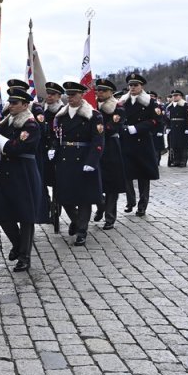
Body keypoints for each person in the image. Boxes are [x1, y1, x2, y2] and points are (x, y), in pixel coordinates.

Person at [0, 87, 45, 271]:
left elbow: (17, 147)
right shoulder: (7, 122)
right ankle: (17, 243)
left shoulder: (30, 124)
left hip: (24, 172)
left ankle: (25, 257)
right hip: (6, 170)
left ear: (25, 104)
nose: (11, 105)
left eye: (15, 103)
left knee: (25, 216)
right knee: (0, 212)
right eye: (10, 102)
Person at [49, 81, 104, 246]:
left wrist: (92, 161)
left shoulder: (93, 115)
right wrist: (53, 148)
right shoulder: (61, 115)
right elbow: (56, 136)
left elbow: (98, 140)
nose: (70, 97)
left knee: (84, 197)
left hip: (84, 157)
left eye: (74, 94)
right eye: (68, 94)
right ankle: (77, 220)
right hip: (65, 158)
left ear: (82, 95)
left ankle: (82, 230)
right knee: (64, 196)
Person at [120, 73, 161, 216]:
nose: (132, 87)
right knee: (126, 174)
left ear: (141, 86)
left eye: (135, 85)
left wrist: (138, 128)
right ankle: (130, 201)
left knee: (144, 175)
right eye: (130, 85)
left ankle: (142, 205)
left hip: (142, 141)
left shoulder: (150, 102)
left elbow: (156, 121)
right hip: (126, 141)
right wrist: (123, 127)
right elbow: (117, 117)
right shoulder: (123, 101)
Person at [93, 80, 126, 230]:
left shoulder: (117, 107)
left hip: (110, 146)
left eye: (103, 90)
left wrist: (95, 131)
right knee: (94, 180)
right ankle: (101, 205)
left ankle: (110, 217)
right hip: (94, 147)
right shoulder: (90, 106)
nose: (99, 93)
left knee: (111, 184)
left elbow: (113, 127)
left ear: (111, 92)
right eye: (98, 90)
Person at [40, 83, 65, 226]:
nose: (49, 96)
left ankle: (56, 210)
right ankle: (47, 205)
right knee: (42, 181)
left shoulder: (62, 111)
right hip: (43, 151)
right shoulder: (42, 111)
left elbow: (61, 133)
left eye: (53, 94)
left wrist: (54, 147)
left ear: (59, 97)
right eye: (48, 94)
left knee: (57, 183)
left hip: (57, 151)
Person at [165, 90, 188, 168]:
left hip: (182, 127)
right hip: (173, 127)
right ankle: (176, 160)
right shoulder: (170, 106)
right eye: (173, 95)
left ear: (181, 96)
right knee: (174, 145)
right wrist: (168, 127)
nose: (174, 97)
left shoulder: (185, 105)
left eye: (176, 95)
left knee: (183, 146)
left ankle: (183, 161)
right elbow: (167, 118)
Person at [149, 91, 167, 163]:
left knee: (156, 147)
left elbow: (160, 120)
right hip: (147, 129)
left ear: (155, 98)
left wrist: (160, 131)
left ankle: (156, 161)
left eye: (152, 96)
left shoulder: (158, 107)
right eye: (149, 96)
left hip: (156, 129)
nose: (150, 97)